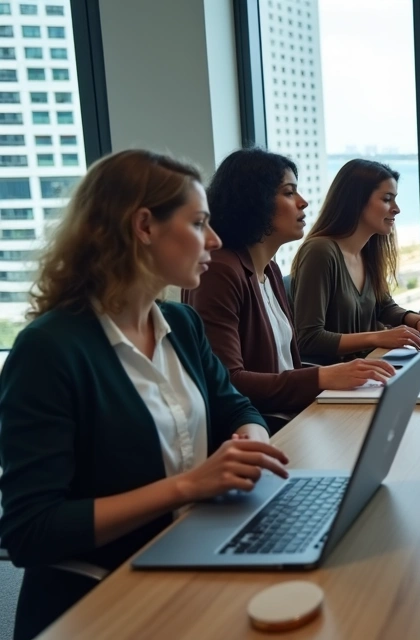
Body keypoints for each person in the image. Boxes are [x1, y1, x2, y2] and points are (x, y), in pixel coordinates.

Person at [0, 149, 291, 640]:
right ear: (144, 227)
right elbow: (30, 531)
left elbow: (235, 405)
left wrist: (247, 440)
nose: (215, 240)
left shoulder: (181, 323)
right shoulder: (50, 350)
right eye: (199, 223)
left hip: (189, 562)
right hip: (100, 603)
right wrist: (189, 485)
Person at [183, 149, 396, 426]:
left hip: (290, 413)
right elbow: (228, 381)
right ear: (254, 200)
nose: (303, 202)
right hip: (257, 426)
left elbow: (285, 369)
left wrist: (346, 375)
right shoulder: (219, 271)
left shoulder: (270, 269)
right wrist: (323, 377)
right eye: (289, 193)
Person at [290, 159, 420, 365]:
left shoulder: (367, 250)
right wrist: (378, 337)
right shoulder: (320, 251)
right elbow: (309, 338)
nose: (396, 209)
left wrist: (418, 321)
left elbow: (384, 306)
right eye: (387, 199)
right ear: (356, 201)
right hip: (335, 382)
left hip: (371, 366)